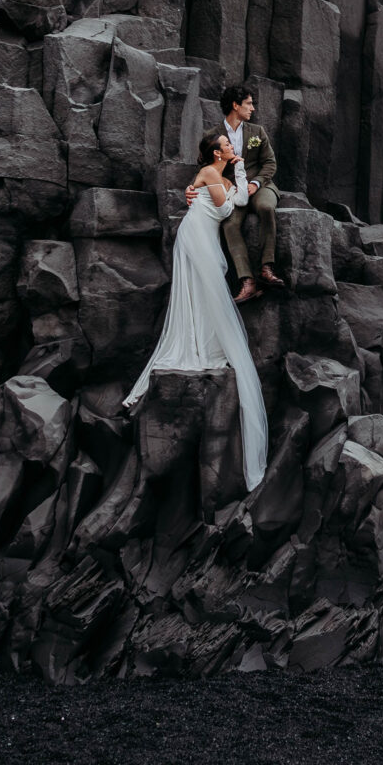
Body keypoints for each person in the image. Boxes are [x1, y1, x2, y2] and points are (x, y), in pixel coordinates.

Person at [121, 129, 267, 492]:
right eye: (227, 145)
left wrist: (239, 173)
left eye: (230, 145)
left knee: (206, 293)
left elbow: (232, 200)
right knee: (206, 290)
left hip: (204, 234)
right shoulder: (211, 173)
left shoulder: (214, 174)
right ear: (217, 153)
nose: (231, 147)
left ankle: (203, 340)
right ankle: (196, 345)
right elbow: (227, 207)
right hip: (196, 236)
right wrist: (235, 177)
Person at [217, 83, 280, 303]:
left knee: (265, 207)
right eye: (249, 103)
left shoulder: (257, 131)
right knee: (230, 225)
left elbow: (270, 163)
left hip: (260, 186)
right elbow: (207, 167)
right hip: (233, 191)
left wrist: (255, 182)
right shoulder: (213, 135)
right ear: (235, 105)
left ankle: (266, 267)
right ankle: (248, 281)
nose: (252, 108)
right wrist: (226, 187)